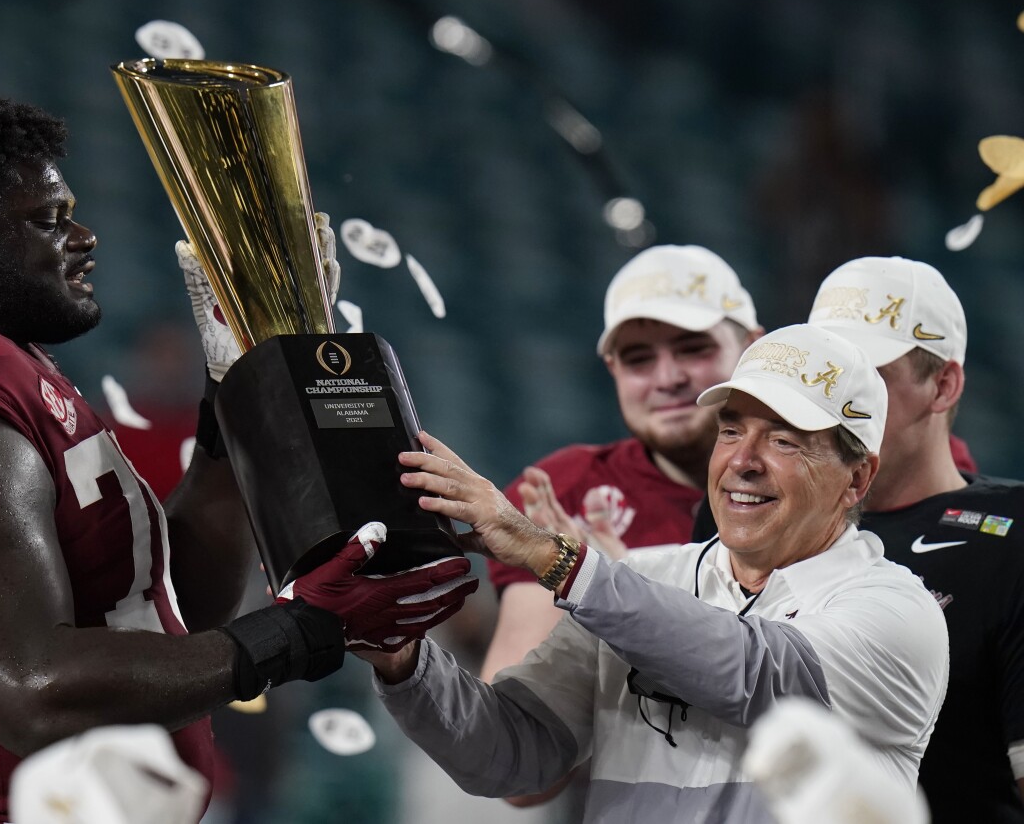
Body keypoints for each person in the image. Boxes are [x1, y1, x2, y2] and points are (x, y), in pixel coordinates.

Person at [0, 88, 474, 824]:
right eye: (50, 220)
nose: (84, 236)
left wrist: (230, 395)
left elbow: (161, 611)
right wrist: (299, 628)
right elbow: (32, 687)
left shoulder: (4, 373)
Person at [359, 324, 949, 823]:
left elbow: (756, 671)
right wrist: (403, 658)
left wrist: (549, 555)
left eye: (786, 440)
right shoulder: (642, 576)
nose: (743, 461)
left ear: (858, 478)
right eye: (731, 429)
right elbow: (515, 755)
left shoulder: (896, 611)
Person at [481, 245, 764, 698]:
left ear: (753, 348)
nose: (667, 377)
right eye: (638, 359)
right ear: (612, 369)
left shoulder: (818, 484)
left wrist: (609, 585)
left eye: (693, 349)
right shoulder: (565, 491)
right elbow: (513, 721)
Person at [807, 256, 1024, 822]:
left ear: (943, 385)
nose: (838, 401)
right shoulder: (745, 520)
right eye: (826, 373)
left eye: (868, 376)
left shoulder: (1015, 538)